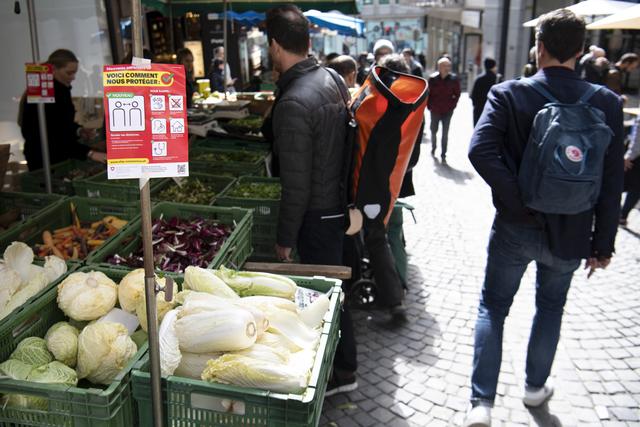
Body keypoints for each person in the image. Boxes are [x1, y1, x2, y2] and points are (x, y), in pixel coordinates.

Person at [463, 9, 624, 427]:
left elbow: (479, 151)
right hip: (572, 230)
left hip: (516, 227)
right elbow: (611, 185)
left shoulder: (510, 93)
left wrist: (517, 201)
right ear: (581, 52)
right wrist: (603, 245)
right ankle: (535, 389)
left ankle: (481, 404)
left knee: (493, 308)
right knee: (550, 308)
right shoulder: (606, 102)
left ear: (540, 47)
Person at [264, 4, 357, 396]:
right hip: (336, 204)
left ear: (274, 45)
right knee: (334, 291)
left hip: (316, 215)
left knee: (325, 297)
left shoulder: (293, 103)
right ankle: (344, 367)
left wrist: (285, 239)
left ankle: (342, 372)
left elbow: (296, 184)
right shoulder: (331, 77)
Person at [19, 49, 106, 171]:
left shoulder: (59, 91)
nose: (73, 77)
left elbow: (61, 124)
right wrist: (89, 153)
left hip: (51, 155)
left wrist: (79, 130)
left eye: (74, 73)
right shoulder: (50, 96)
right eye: (69, 73)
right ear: (54, 69)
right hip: (47, 159)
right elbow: (56, 133)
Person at [427, 56, 460, 162]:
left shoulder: (454, 80)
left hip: (447, 110)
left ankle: (443, 153)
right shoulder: (432, 79)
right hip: (435, 109)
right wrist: (429, 106)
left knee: (445, 133)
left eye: (449, 66)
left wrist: (453, 106)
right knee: (433, 130)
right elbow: (428, 94)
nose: (447, 68)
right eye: (445, 66)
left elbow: (457, 94)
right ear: (439, 67)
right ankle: (433, 147)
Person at [470, 57, 501, 126]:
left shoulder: (479, 79)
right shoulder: (497, 79)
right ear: (494, 67)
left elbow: (473, 95)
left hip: (479, 109)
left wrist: (476, 105)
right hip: (492, 110)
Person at [620, 119, 640, 226]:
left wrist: (629, 155)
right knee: (636, 189)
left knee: (620, 184)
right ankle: (622, 215)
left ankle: (619, 214)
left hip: (635, 159)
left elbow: (638, 136)